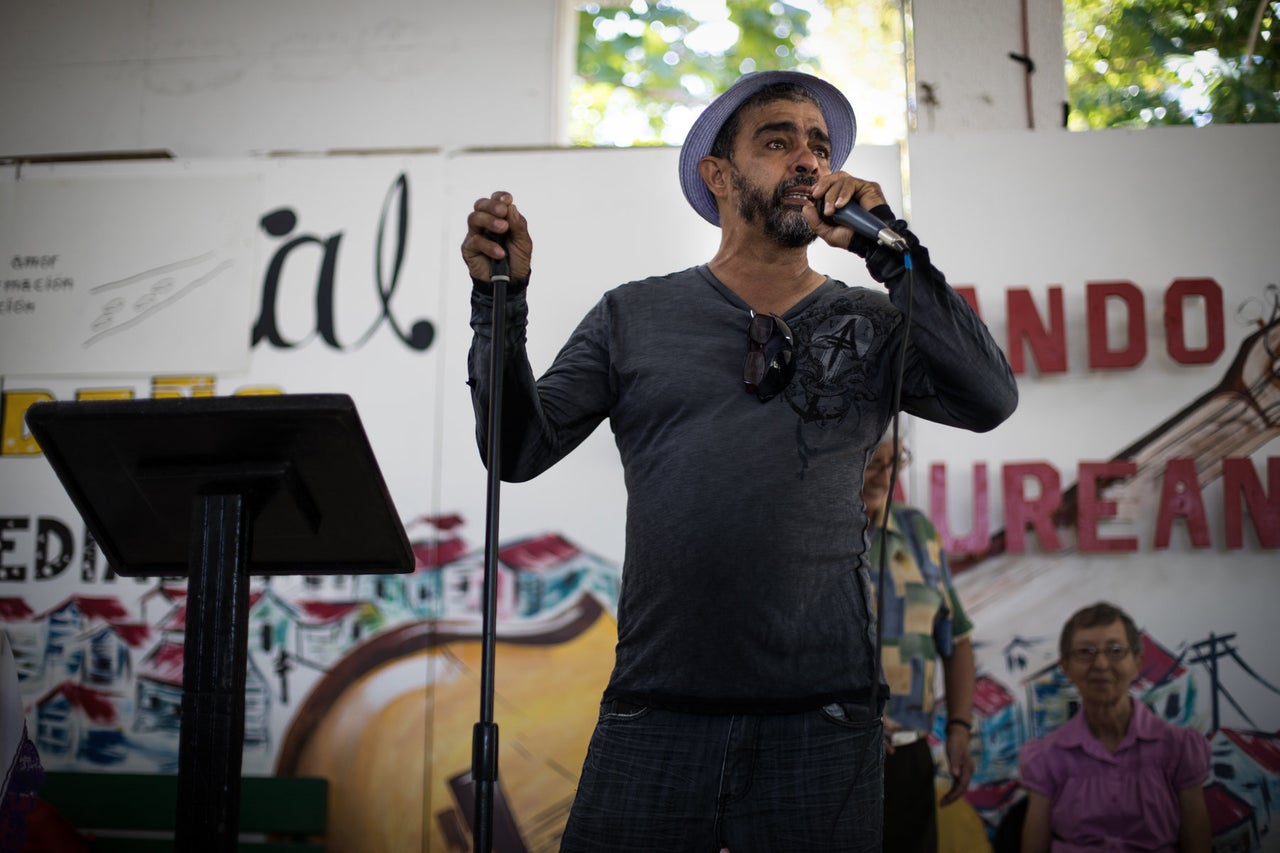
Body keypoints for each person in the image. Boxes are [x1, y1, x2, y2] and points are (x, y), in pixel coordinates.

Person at [461, 69, 1018, 852]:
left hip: (824, 726)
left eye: (818, 146)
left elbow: (990, 397)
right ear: (716, 176)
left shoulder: (870, 319)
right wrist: (501, 305)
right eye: (778, 140)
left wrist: (893, 250)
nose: (807, 159)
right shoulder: (634, 316)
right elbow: (516, 450)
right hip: (654, 716)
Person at [1018, 602, 1212, 853]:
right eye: (1085, 652)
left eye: (1115, 650)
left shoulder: (1179, 748)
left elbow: (1197, 843)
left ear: (1137, 662)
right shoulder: (1046, 756)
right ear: (1066, 667)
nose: (1100, 664)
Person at [863, 434, 976, 853]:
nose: (884, 475)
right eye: (872, 462)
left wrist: (960, 727)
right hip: (828, 756)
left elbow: (956, 639)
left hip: (909, 757)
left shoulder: (917, 531)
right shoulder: (805, 535)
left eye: (894, 461)